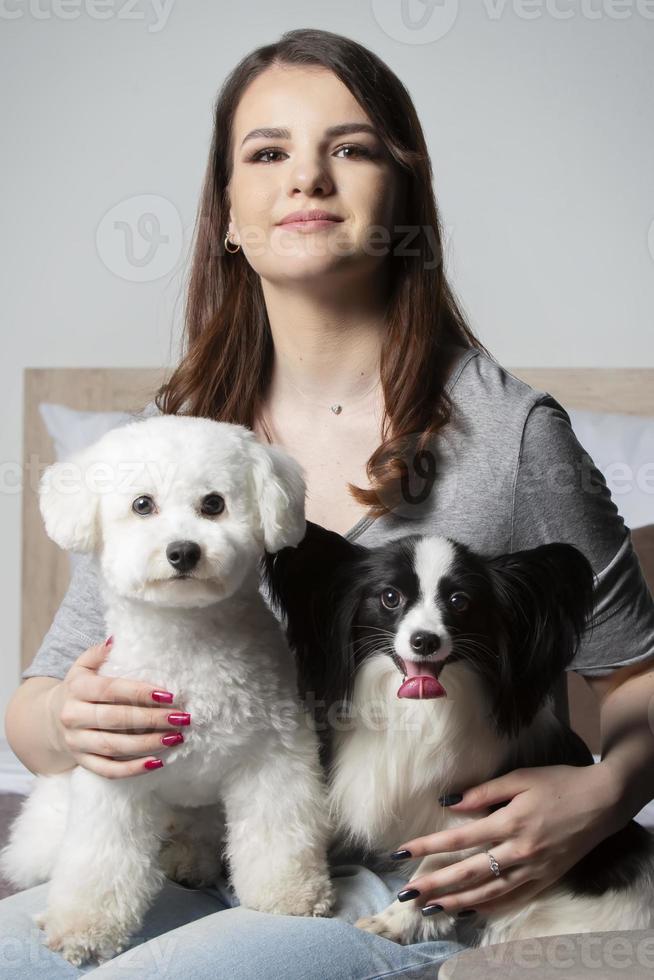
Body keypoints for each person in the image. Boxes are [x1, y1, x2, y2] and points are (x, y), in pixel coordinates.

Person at [2, 27, 654, 980]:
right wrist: (67, 721)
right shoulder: (176, 442)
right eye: (267, 153)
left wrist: (602, 796)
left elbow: (633, 676)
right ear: (228, 211)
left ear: (404, 192)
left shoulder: (511, 435)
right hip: (196, 854)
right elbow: (35, 702)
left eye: (349, 148)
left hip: (402, 893)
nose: (306, 178)